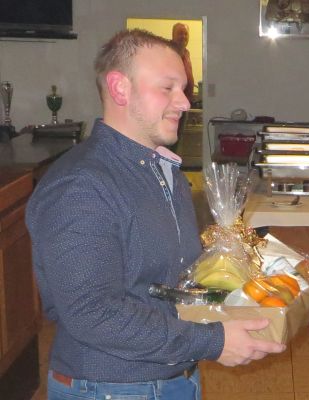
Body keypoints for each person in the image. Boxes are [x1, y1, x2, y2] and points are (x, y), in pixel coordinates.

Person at [26, 29, 285, 400]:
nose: (184, 102)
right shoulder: (81, 185)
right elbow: (92, 313)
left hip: (175, 374)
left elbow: (163, 282)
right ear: (120, 88)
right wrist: (212, 341)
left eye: (184, 89)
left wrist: (235, 277)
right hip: (111, 387)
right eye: (168, 88)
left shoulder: (163, 172)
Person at [172, 22, 195, 103]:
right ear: (173, 36)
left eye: (186, 34)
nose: (183, 36)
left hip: (186, 102)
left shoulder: (186, 53)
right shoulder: (168, 53)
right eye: (180, 33)